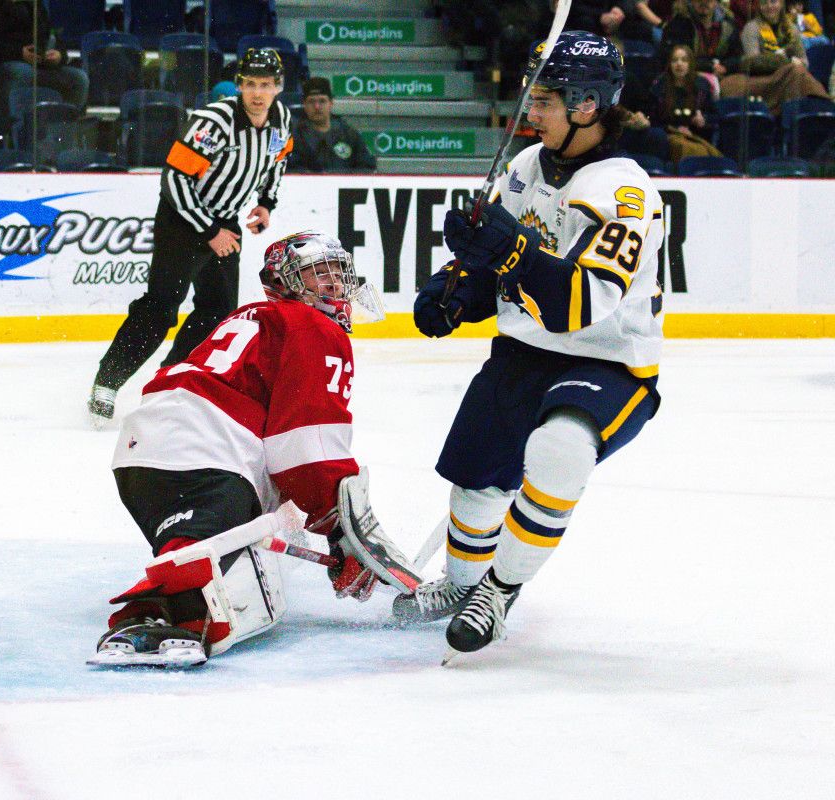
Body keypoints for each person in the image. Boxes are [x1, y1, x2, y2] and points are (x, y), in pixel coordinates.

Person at [397, 31, 664, 660]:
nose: (529, 112)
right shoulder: (524, 168)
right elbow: (496, 269)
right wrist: (456, 290)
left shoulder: (623, 193)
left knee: (560, 448)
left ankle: (501, 589)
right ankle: (463, 585)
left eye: (544, 100)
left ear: (587, 106)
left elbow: (578, 305)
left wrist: (508, 249)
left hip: (607, 363)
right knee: (474, 481)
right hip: (522, 351)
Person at [88, 231, 418, 667]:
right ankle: (153, 611)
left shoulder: (255, 317)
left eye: (337, 275)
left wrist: (332, 534)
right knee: (198, 570)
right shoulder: (314, 326)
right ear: (284, 283)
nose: (333, 287)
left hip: (142, 455)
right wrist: (340, 530)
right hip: (205, 446)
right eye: (317, 276)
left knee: (226, 555)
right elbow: (304, 448)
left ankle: (177, 588)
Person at [87, 49, 294, 426]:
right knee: (162, 306)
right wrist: (210, 231)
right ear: (239, 85)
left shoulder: (281, 119)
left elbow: (277, 160)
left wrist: (266, 203)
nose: (258, 93)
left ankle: (171, 378)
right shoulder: (213, 121)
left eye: (266, 85)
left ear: (278, 87)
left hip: (225, 221)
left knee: (218, 310)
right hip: (182, 218)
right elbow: (174, 180)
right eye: (250, 84)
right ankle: (108, 381)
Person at [0, 0, 89, 110]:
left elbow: (50, 34)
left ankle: (64, 129)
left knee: (78, 79)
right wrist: (19, 53)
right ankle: (16, 129)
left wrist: (59, 55)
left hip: (37, 65)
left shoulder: (33, 3)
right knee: (22, 72)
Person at [726, 0, 831, 111]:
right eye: (764, 3)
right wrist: (784, 61)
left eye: (773, 2)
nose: (769, 6)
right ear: (759, 6)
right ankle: (825, 105)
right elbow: (753, 63)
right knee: (796, 72)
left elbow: (804, 61)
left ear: (781, 4)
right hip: (760, 80)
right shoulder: (751, 28)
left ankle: (818, 111)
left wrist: (798, 63)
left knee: (798, 72)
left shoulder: (792, 29)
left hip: (788, 77)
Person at [650, 43, 724, 161]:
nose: (679, 64)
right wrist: (675, 129)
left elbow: (716, 117)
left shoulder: (702, 86)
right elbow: (652, 119)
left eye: (684, 60)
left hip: (696, 136)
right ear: (670, 64)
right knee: (685, 148)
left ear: (690, 64)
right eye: (675, 60)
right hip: (668, 137)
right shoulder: (660, 86)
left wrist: (704, 120)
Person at [288, 77, 376, 173]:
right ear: (304, 105)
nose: (317, 107)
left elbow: (367, 168)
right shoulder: (293, 137)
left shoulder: (349, 135)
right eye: (311, 101)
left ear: (331, 103)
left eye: (322, 101)